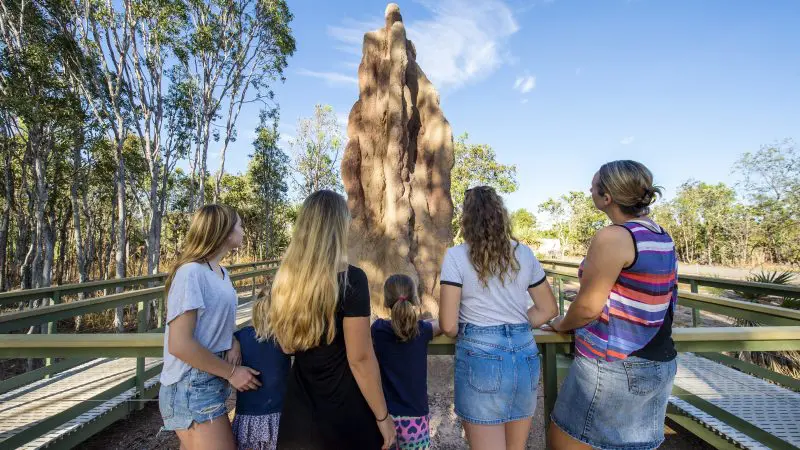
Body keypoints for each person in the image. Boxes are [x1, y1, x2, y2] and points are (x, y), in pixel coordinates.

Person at [547, 160, 679, 450]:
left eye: (593, 186)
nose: (589, 189)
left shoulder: (614, 237)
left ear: (607, 198)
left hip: (615, 365)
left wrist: (560, 323)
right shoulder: (660, 235)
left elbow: (588, 307)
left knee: (563, 442)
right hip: (660, 360)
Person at [255, 190, 396, 450]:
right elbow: (360, 359)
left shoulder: (285, 282)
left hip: (300, 416)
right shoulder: (351, 280)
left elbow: (287, 347)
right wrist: (383, 417)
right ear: (338, 227)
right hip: (346, 414)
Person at [439, 186, 559, 450]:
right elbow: (548, 309)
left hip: (481, 357)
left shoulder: (456, 257)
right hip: (524, 354)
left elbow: (448, 325)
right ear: (501, 215)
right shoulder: (524, 254)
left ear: (466, 219)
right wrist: (513, 327)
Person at [159, 205, 262, 450]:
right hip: (190, 384)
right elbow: (180, 344)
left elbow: (215, 321)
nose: (243, 230)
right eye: (239, 225)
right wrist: (232, 373)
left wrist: (232, 340)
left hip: (210, 379)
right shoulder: (191, 273)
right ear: (225, 232)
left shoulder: (221, 272)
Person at [371, 274, 443, 450]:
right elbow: (444, 324)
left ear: (386, 301)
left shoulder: (378, 330)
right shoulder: (422, 330)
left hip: (385, 418)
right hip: (416, 419)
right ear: (414, 298)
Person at [231, 290, 291, 450]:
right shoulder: (284, 340)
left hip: (247, 419)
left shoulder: (241, 336)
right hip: (276, 417)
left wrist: (233, 342)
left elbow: (229, 337)